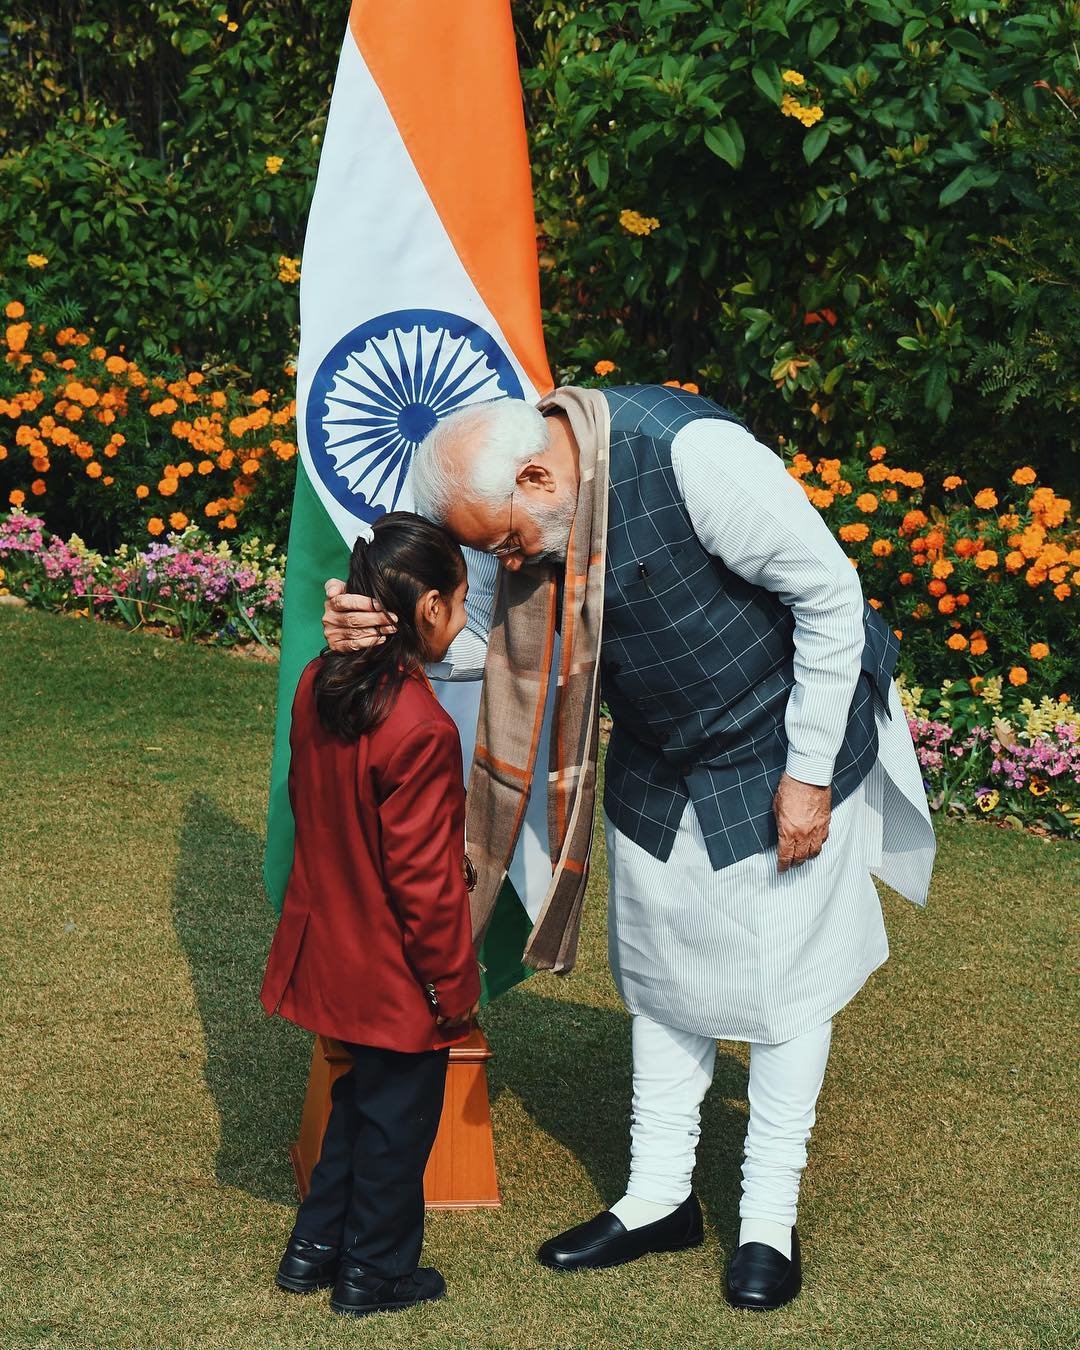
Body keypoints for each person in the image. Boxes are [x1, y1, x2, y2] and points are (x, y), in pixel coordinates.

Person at [322, 387, 936, 1311]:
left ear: (537, 477)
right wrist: (384, 631)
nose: (500, 559)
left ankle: (768, 1219)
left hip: (784, 736)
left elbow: (830, 593)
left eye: (503, 543)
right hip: (657, 751)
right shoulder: (525, 506)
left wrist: (808, 771)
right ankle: (658, 1198)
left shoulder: (695, 458)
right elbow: (481, 640)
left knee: (789, 982)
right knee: (658, 973)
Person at [261, 511, 481, 1319]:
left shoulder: (321, 681)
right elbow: (424, 889)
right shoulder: (422, 727)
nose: (463, 617)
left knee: (361, 1104)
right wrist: (454, 987)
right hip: (394, 972)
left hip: (331, 949)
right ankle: (374, 1274)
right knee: (397, 1129)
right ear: (427, 608)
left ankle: (312, 1249)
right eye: (459, 601)